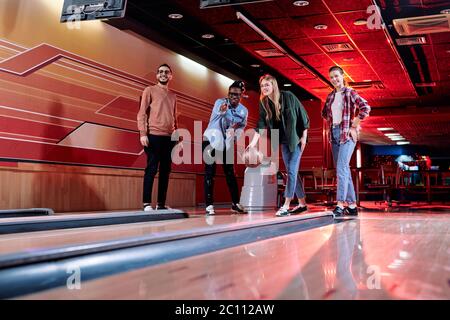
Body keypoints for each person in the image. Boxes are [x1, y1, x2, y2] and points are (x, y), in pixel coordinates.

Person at [248, 74, 309, 217]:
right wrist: (252, 144)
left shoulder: (288, 96)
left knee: (292, 171)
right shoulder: (264, 103)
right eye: (262, 86)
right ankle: (302, 204)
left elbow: (303, 115)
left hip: (296, 140)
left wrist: (304, 137)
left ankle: (286, 205)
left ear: (273, 85)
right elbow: (261, 125)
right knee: (291, 172)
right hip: (283, 141)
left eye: (267, 85)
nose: (264, 88)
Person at [322, 65, 371, 217]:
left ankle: (340, 204)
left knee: (341, 169)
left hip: (347, 135)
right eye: (331, 77)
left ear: (343, 76)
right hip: (334, 135)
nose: (334, 79)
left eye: (336, 76)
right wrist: (335, 124)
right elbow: (325, 114)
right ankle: (352, 205)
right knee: (344, 170)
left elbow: (365, 107)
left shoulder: (350, 93)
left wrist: (354, 123)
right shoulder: (330, 96)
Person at [203, 80, 248, 215]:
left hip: (226, 142)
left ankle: (235, 203)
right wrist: (223, 110)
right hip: (211, 139)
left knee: (230, 173)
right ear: (228, 94)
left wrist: (235, 137)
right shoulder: (220, 102)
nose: (233, 97)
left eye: (237, 95)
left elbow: (241, 126)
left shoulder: (243, 111)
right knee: (210, 171)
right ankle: (209, 205)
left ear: (241, 96)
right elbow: (221, 112)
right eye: (231, 94)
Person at [137, 63, 178, 211]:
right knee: (151, 169)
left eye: (166, 72)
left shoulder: (173, 96)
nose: (163, 74)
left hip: (168, 138)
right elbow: (142, 113)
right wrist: (143, 133)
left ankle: (160, 204)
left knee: (166, 170)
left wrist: (176, 133)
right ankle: (146, 203)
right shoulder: (149, 90)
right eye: (160, 72)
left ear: (170, 76)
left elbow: (174, 117)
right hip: (153, 135)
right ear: (157, 75)